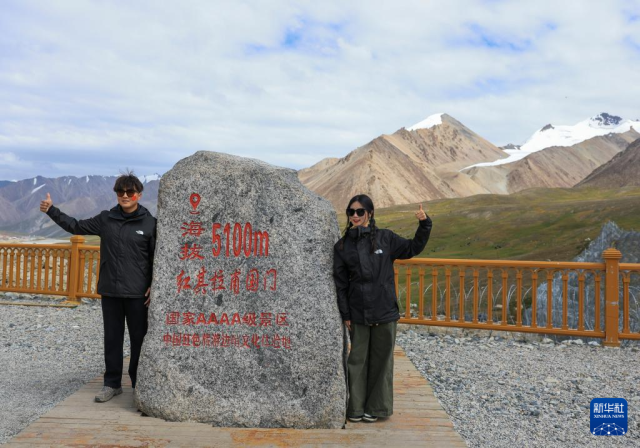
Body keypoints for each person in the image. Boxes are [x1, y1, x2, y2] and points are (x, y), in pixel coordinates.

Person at [39, 172, 156, 403]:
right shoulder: (106, 219)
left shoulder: (150, 223)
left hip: (138, 293)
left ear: (139, 195)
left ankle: (139, 385)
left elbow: (157, 259)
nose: (125, 196)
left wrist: (155, 285)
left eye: (130, 192)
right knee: (112, 339)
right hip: (110, 290)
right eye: (120, 192)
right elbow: (76, 226)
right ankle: (112, 384)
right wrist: (52, 210)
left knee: (139, 340)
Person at [333, 194, 431, 423]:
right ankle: (355, 408)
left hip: (385, 310)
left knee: (382, 361)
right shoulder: (342, 246)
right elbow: (341, 283)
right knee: (357, 361)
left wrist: (424, 224)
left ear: (370, 213)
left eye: (360, 211)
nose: (355, 216)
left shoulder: (385, 238)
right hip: (358, 312)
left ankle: (377, 408)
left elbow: (412, 248)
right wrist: (345, 314)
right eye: (351, 212)